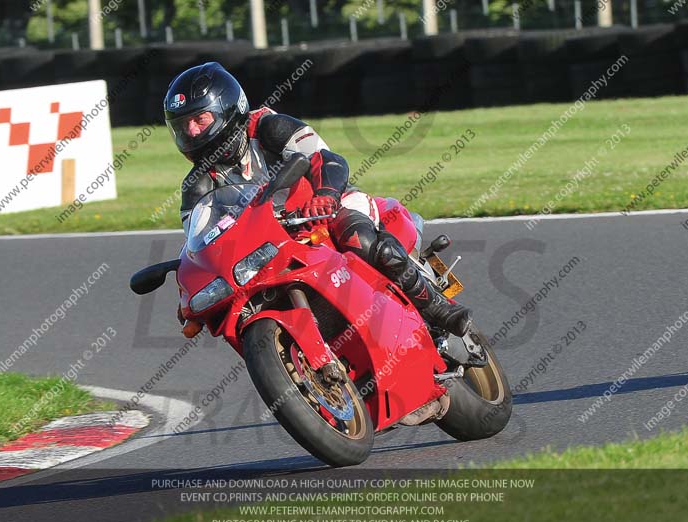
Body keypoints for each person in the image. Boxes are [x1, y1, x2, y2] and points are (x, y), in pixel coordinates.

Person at [166, 62, 472, 338]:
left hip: (327, 207)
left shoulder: (269, 127)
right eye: (183, 126)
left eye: (200, 119)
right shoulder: (197, 186)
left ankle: (437, 308)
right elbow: (200, 247)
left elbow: (326, 159)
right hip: (270, 244)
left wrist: (325, 196)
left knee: (358, 238)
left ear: (228, 108)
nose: (192, 132)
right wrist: (190, 291)